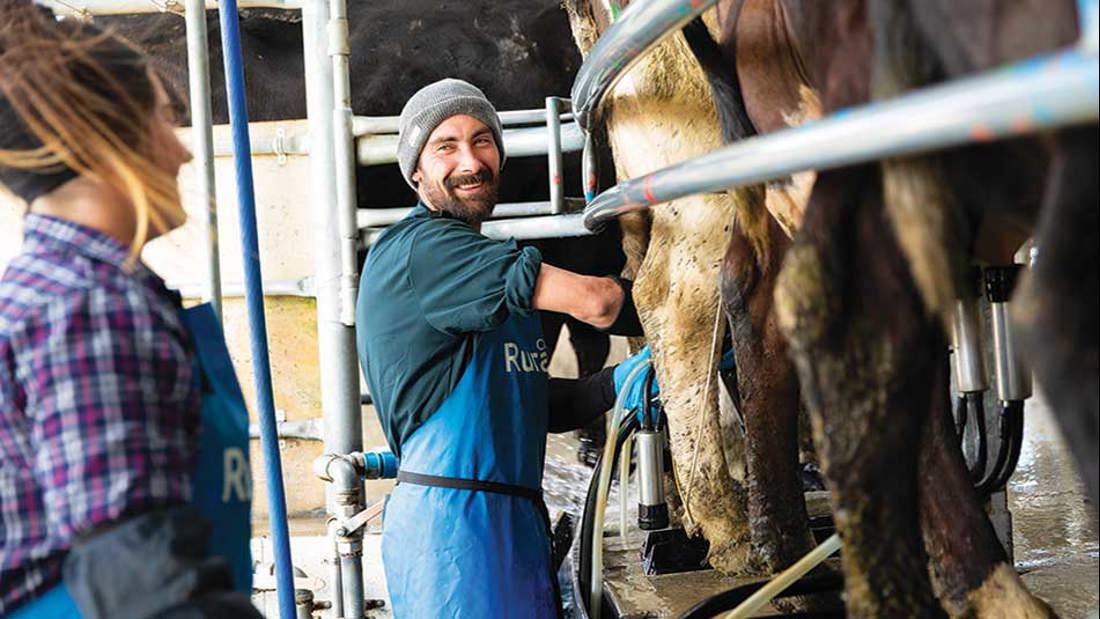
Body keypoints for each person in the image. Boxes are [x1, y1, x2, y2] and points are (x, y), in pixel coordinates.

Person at [355, 78, 656, 618]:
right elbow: (598, 303)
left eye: (482, 141)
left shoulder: (474, 262)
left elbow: (520, 397)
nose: (470, 161)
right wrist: (687, 322)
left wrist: (617, 382)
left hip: (507, 525)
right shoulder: (428, 251)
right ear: (415, 171)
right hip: (456, 540)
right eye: (446, 146)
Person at [0, 5, 259, 617]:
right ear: (106, 141)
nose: (182, 154)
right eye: (164, 120)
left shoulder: (54, 288)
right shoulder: (87, 307)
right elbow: (141, 583)